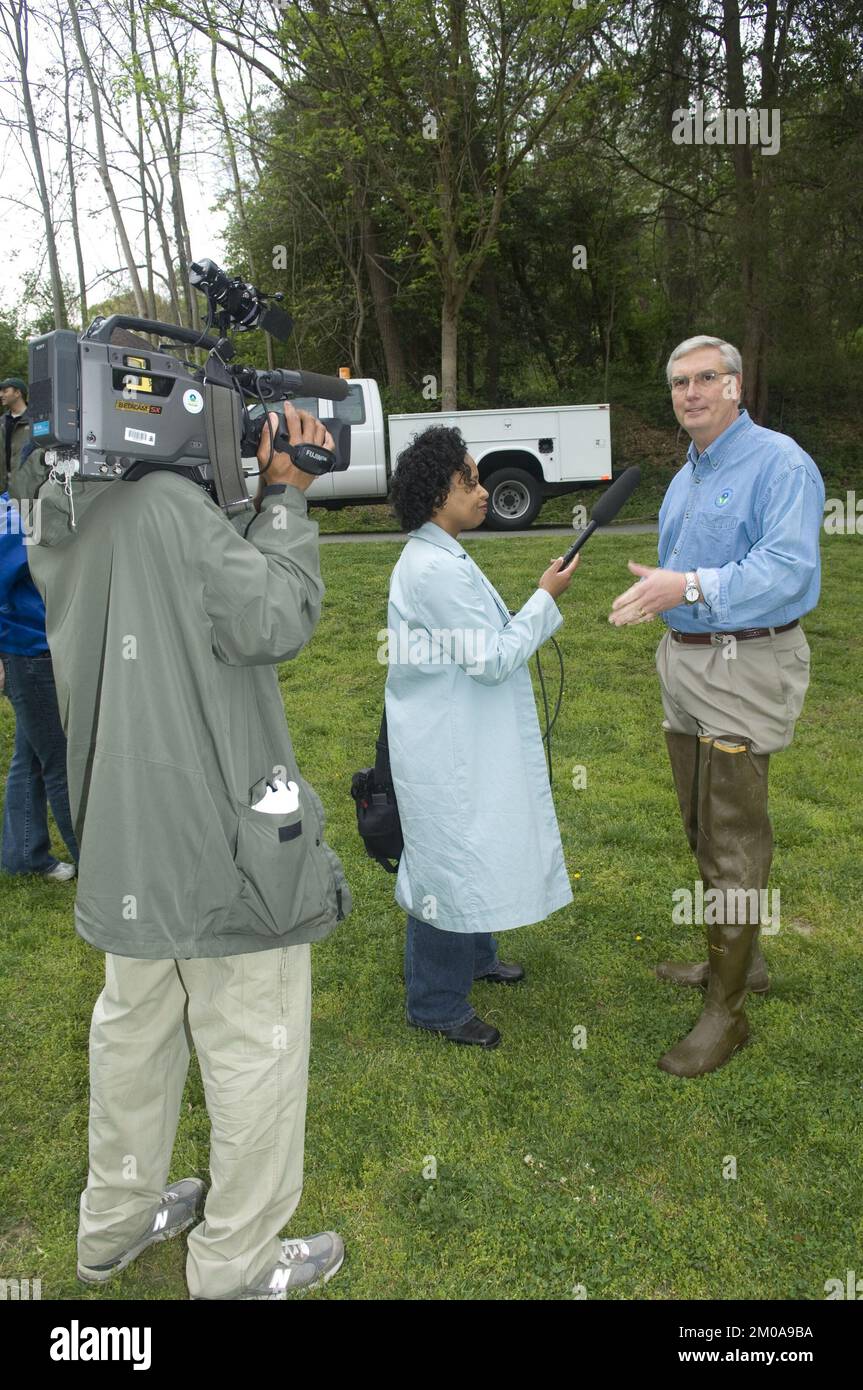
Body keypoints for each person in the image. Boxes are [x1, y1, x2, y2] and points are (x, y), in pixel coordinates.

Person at [11, 399, 352, 1300]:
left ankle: (114, 1226)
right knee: (254, 1047)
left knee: (135, 1034)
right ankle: (235, 1267)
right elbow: (271, 615)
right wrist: (285, 498)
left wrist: (234, 499)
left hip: (124, 836)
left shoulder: (68, 503)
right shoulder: (167, 506)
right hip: (219, 842)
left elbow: (182, 578)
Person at [609, 334, 824, 1077]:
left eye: (706, 379)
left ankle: (725, 1016)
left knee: (731, 840)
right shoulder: (687, 476)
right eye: (678, 383)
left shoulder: (779, 463)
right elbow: (679, 572)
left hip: (745, 663)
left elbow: (787, 566)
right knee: (702, 827)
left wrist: (690, 588)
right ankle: (742, 965)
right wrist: (658, 599)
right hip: (687, 665)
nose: (691, 393)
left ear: (735, 386)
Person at [384, 425, 578, 1049]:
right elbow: (491, 660)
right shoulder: (431, 567)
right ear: (440, 491)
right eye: (469, 477)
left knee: (476, 844)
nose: (483, 488)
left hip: (462, 734)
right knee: (447, 862)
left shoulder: (443, 551)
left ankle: (476, 956)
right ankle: (436, 1003)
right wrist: (544, 601)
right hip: (447, 746)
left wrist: (536, 600)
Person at [0, 489, 78, 880]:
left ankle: (23, 854)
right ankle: (95, 865)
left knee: (32, 753)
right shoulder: (12, 517)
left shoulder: (18, 509)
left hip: (36, 649)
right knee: (61, 761)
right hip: (33, 652)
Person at [1, 376, 31, 493]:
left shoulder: (37, 420)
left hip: (28, 490)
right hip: (3, 490)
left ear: (17, 393)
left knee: (30, 511)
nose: (1, 395)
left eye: (5, 391)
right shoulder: (2, 422)